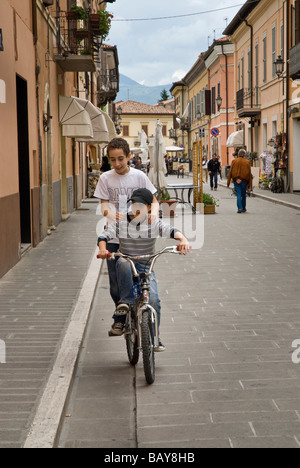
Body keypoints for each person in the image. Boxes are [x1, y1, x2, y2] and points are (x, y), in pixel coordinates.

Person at [97, 188, 191, 351]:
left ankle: (155, 337)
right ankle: (125, 302)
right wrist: (103, 249)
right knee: (124, 262)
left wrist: (183, 239)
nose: (135, 207)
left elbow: (173, 231)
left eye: (140, 204)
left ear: (148, 207)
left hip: (146, 266)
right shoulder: (122, 222)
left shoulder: (153, 223)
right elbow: (104, 236)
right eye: (133, 203)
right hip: (127, 261)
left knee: (154, 301)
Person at [94, 138, 159, 312]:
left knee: (140, 278)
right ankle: (121, 315)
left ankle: (141, 317)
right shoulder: (105, 178)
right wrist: (110, 214)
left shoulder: (139, 176)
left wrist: (153, 212)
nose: (117, 163)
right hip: (114, 236)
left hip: (136, 237)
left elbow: (154, 200)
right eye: (113, 159)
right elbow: (104, 205)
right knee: (116, 284)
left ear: (129, 156)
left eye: (121, 158)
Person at [227, 149, 252, 213]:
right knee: (243, 195)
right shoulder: (247, 162)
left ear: (238, 154)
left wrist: (228, 182)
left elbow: (230, 172)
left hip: (236, 180)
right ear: (244, 155)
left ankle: (239, 208)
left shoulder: (234, 161)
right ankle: (243, 208)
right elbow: (249, 173)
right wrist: (250, 184)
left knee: (238, 194)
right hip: (244, 181)